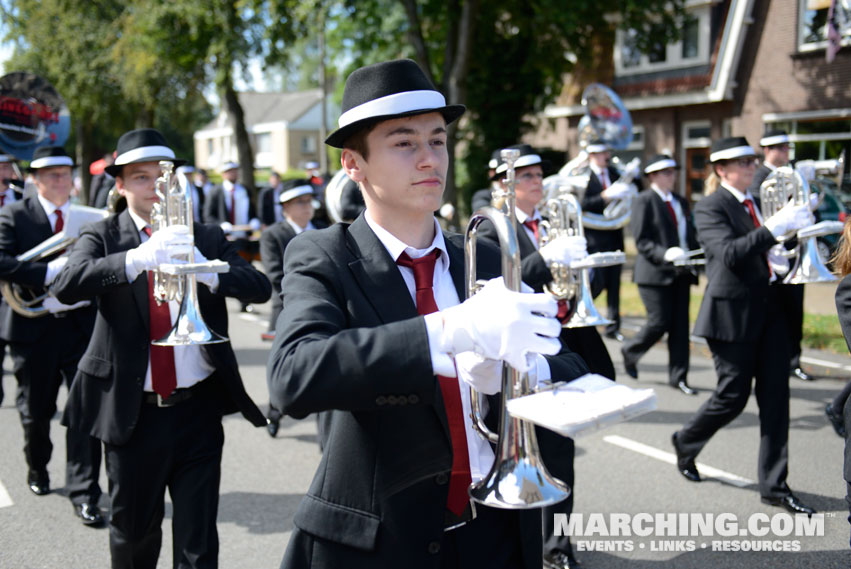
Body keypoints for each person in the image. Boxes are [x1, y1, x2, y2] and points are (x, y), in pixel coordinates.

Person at [267, 58, 589, 569]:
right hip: (379, 540)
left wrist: (520, 371)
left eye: (437, 140)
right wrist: (447, 331)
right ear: (353, 163)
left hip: (498, 530)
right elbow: (293, 375)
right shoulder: (323, 253)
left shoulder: (484, 254)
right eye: (404, 143)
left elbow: (570, 362)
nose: (429, 160)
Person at [52, 128, 271, 568]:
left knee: (198, 544)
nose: (155, 187)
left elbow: (261, 287)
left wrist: (208, 270)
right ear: (119, 184)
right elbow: (66, 284)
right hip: (135, 414)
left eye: (164, 177)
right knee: (134, 537)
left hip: (198, 411)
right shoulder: (103, 235)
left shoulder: (205, 235)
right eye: (140, 177)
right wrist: (137, 259)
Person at [478, 143, 610, 569]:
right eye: (528, 176)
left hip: (564, 343)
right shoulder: (489, 230)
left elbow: (576, 287)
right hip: (522, 354)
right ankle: (520, 543)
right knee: (523, 452)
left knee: (561, 452)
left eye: (539, 175)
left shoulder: (556, 224)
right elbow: (498, 286)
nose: (538, 182)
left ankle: (559, 545)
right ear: (504, 184)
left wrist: (584, 273)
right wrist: (544, 259)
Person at [671, 136, 816, 515]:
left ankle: (774, 485)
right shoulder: (709, 207)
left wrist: (785, 247)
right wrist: (773, 229)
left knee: (776, 399)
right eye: (743, 163)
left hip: (770, 311)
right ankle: (686, 440)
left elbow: (762, 249)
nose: (753, 167)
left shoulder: (756, 202)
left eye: (753, 161)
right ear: (722, 170)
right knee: (732, 397)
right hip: (730, 316)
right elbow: (730, 254)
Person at [0, 146, 104, 525]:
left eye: (65, 174)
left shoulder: (87, 218)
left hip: (81, 329)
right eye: (52, 175)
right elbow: (1, 261)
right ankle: (37, 466)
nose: (60, 181)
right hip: (34, 329)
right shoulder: (13, 214)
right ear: (35, 179)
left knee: (85, 413)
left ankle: (85, 492)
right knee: (37, 411)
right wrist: (49, 273)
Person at [622, 154, 700, 395]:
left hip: (681, 272)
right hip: (653, 273)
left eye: (673, 171)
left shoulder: (680, 200)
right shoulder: (644, 200)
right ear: (652, 176)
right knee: (659, 321)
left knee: (679, 328)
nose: (672, 176)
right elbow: (642, 240)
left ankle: (679, 377)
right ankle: (630, 350)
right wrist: (665, 253)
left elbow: (689, 234)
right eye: (666, 172)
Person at [746, 129, 813, 382]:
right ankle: (776, 360)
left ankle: (795, 359)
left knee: (796, 310)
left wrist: (807, 202)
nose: (786, 153)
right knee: (777, 309)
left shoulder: (792, 174)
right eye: (780, 148)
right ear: (768, 150)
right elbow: (763, 213)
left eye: (787, 148)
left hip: (792, 251)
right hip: (771, 253)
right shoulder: (758, 176)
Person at [582, 140, 632, 341]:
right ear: (592, 155)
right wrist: (605, 196)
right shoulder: (583, 177)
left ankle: (613, 326)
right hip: (595, 238)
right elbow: (582, 204)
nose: (607, 156)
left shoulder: (613, 173)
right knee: (597, 282)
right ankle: (586, 317)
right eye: (602, 153)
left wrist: (631, 180)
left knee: (614, 283)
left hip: (615, 236)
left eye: (607, 152)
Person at [204, 161, 262, 311]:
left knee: (246, 269)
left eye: (235, 171)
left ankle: (246, 302)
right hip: (226, 239)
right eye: (229, 171)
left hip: (243, 238)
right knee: (229, 271)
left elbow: (252, 212)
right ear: (223, 174)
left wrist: (254, 221)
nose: (233, 174)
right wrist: (221, 225)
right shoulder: (216, 191)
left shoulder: (244, 190)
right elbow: (208, 215)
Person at [0, 150, 23, 407]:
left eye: (7, 167)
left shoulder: (21, 196)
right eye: (0, 168)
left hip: (15, 282)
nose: (4, 173)